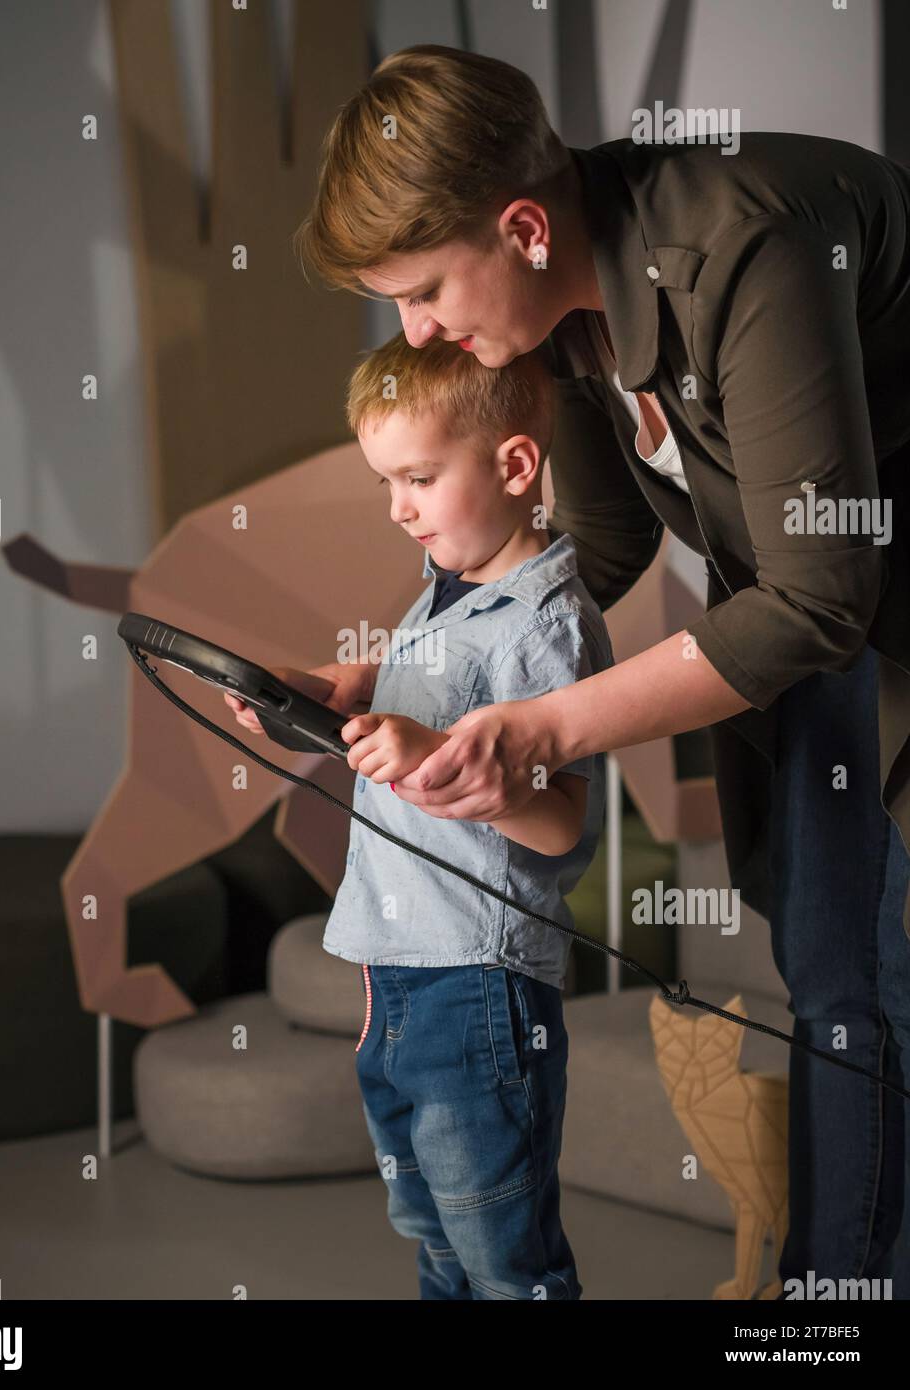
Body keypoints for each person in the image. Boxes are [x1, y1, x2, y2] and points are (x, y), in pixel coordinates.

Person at [293, 44, 910, 1295]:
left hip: (847, 599)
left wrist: (542, 729)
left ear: (521, 225)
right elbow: (602, 541)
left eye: (420, 292)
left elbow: (819, 589)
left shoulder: (751, 249)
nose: (417, 333)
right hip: (807, 612)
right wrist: (416, 673)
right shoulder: (556, 311)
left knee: (883, 978)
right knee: (827, 970)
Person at [229, 329, 613, 1298]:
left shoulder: (545, 624)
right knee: (432, 1229)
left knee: (499, 1250)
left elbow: (565, 826)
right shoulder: (451, 591)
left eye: (418, 478)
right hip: (396, 970)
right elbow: (397, 686)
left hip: (477, 979)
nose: (398, 508)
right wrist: (312, 688)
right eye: (384, 484)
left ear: (514, 462)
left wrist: (434, 758)